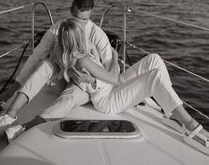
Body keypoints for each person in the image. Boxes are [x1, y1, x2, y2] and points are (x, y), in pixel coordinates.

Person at [36, 18, 209, 155]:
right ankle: (190, 124)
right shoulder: (83, 60)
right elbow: (115, 78)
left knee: (154, 59)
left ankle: (172, 113)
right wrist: (114, 55)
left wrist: (103, 62)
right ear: (77, 37)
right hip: (107, 100)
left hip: (108, 87)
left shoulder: (79, 54)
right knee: (153, 77)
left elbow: (108, 73)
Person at [0, 0, 114, 140]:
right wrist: (11, 91)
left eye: (84, 20)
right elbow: (36, 56)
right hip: (63, 77)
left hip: (84, 85)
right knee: (45, 64)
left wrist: (92, 80)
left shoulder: (98, 35)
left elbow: (109, 68)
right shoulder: (58, 28)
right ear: (70, 10)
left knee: (71, 95)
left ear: (91, 14)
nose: (79, 23)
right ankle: (9, 116)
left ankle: (23, 128)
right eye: (76, 18)